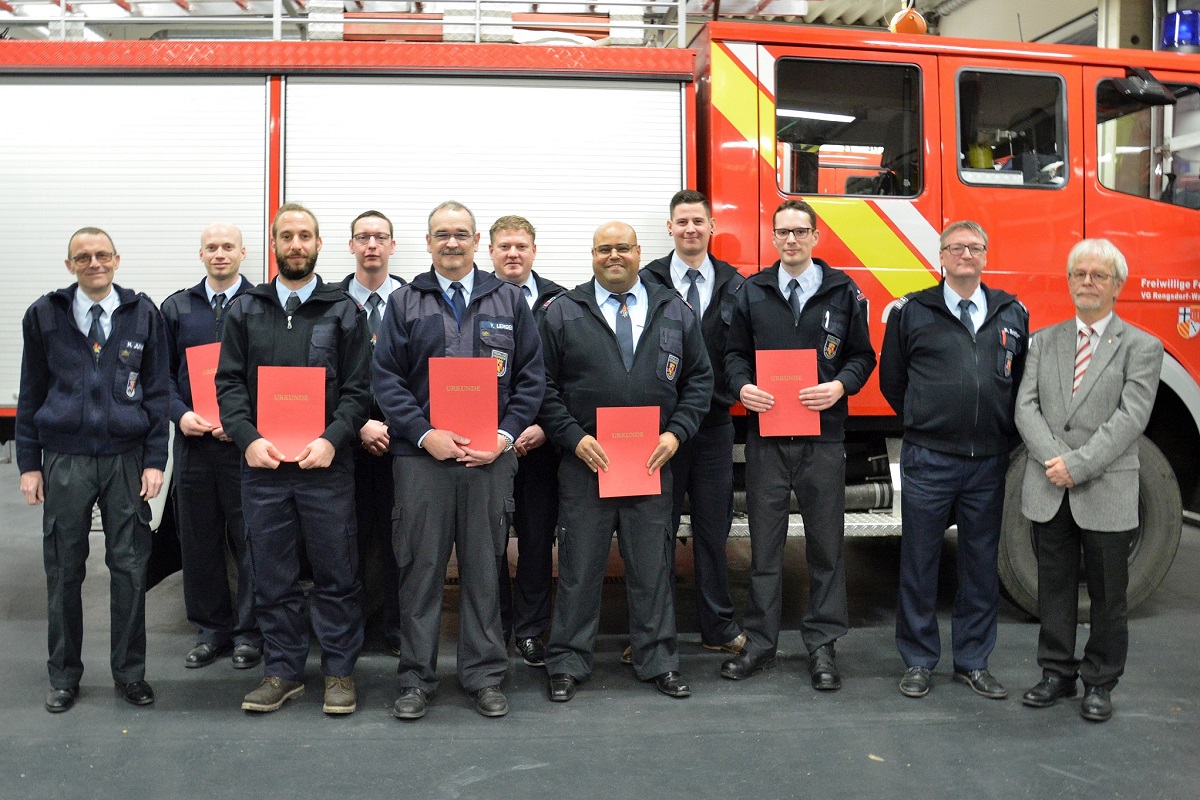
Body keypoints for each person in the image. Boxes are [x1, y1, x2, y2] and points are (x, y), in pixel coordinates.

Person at [373, 201, 544, 720]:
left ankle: (485, 674)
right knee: (420, 568)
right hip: (421, 460)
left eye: (461, 234)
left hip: (489, 459)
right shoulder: (403, 303)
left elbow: (530, 379)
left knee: (484, 568)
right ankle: (416, 678)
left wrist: (504, 435)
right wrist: (425, 434)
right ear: (427, 243)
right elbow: (386, 380)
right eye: (441, 234)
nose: (452, 242)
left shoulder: (510, 301)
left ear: (476, 242)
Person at [540, 221, 713, 703]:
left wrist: (676, 434)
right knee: (579, 565)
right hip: (585, 465)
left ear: (639, 252)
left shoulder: (674, 311)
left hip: (651, 464)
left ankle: (658, 661)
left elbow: (699, 381)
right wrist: (573, 438)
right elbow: (542, 387)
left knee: (653, 566)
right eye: (603, 249)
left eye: (622, 248)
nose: (612, 256)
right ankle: (568, 663)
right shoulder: (563, 313)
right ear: (591, 255)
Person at [216, 202, 372, 715]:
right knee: (271, 573)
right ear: (275, 245)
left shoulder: (344, 309)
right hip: (262, 469)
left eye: (305, 236)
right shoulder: (246, 309)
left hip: (325, 468)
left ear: (319, 245)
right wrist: (246, 437)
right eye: (288, 236)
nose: (297, 244)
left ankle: (339, 672)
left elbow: (357, 391)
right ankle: (282, 670)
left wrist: (332, 439)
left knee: (336, 572)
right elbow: (229, 384)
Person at [722, 200, 875, 691]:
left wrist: (841, 386)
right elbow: (733, 355)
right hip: (765, 440)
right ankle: (761, 643)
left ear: (815, 236)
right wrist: (742, 386)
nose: (791, 240)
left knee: (826, 547)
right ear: (772, 238)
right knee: (763, 549)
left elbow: (862, 356)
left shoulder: (843, 292)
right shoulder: (753, 292)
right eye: (782, 232)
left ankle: (823, 646)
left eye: (799, 232)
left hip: (824, 440)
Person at [17, 226, 169, 712]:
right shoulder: (44, 315)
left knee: (129, 567)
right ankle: (64, 676)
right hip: (65, 460)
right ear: (70, 266)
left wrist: (154, 459)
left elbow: (158, 392)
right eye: (83, 257)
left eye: (102, 255)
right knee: (63, 570)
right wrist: (29, 463)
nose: (94, 263)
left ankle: (130, 673)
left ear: (117, 260)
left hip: (126, 460)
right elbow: (31, 392)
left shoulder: (143, 314)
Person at [879, 219, 1028, 700]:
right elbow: (892, 382)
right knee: (919, 564)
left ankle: (973, 661)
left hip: (988, 461)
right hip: (930, 460)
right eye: (956, 247)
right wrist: (926, 421)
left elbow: (1020, 380)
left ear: (986, 255)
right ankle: (919, 660)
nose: (966, 254)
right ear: (940, 256)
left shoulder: (1012, 311)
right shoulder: (912, 311)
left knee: (980, 566)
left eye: (975, 247)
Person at [1014, 238, 1162, 723]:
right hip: (1049, 487)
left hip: (1104, 487)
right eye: (1079, 274)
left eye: (1099, 275)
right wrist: (1056, 460)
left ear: (1117, 285)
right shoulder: (1045, 340)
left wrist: (1077, 465)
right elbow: (1025, 407)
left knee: (1107, 594)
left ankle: (1100, 682)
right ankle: (1056, 673)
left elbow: (1131, 418)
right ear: (1069, 280)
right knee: (1053, 589)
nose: (1087, 283)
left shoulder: (1142, 347)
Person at [640, 189, 746, 657]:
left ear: (711, 227)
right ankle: (652, 632)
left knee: (711, 530)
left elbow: (742, 351)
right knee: (654, 532)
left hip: (714, 428)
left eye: (697, 222)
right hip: (657, 433)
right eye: (681, 222)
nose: (689, 229)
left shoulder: (736, 284)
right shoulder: (646, 280)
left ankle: (717, 627)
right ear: (669, 228)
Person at [161, 223, 261, 671]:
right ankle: (210, 629)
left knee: (251, 538)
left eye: (228, 247)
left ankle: (249, 632)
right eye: (212, 248)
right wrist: (181, 414)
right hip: (195, 443)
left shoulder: (262, 304)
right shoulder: (176, 308)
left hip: (247, 446)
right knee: (198, 538)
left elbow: (273, 373)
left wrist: (243, 424)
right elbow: (156, 377)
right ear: (200, 253)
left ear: (243, 252)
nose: (220, 254)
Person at [488, 215, 566, 668]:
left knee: (537, 541)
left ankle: (532, 630)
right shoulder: (475, 299)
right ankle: (495, 625)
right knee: (490, 541)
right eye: (504, 247)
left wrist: (544, 428)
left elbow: (565, 375)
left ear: (534, 251)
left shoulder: (562, 303)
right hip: (489, 447)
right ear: (490, 252)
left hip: (540, 445)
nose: (513, 254)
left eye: (520, 246)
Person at [337, 210, 407, 657]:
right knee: (352, 539)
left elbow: (425, 374)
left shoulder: (414, 297)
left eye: (380, 237)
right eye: (363, 237)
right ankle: (356, 626)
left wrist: (398, 425)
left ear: (393, 245)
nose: (372, 245)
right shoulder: (332, 302)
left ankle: (400, 627)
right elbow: (321, 373)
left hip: (405, 442)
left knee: (404, 538)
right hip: (348, 441)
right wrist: (359, 423)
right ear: (351, 246)